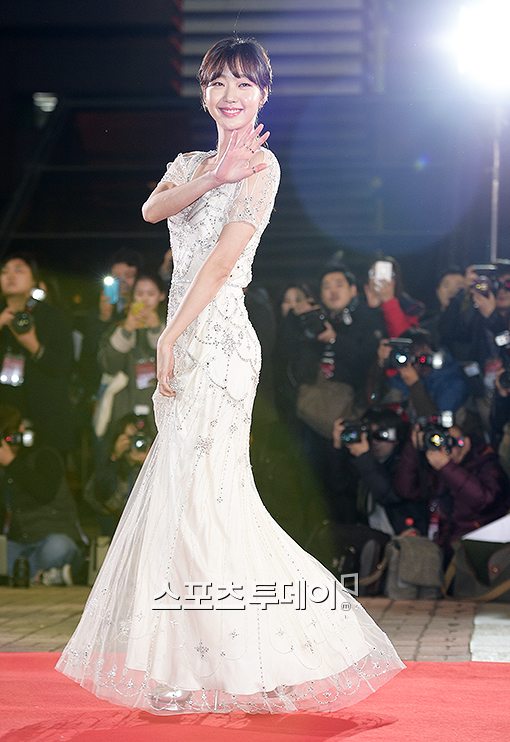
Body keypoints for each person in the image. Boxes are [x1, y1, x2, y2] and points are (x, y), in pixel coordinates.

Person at [55, 36, 404, 715]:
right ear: (204, 93)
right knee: (184, 503)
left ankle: (261, 658)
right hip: (184, 341)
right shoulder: (189, 164)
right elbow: (153, 210)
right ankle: (196, 666)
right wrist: (213, 175)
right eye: (219, 81)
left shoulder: (264, 166)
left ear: (264, 95)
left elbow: (221, 263)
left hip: (217, 344)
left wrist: (170, 334)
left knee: (208, 500)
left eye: (245, 82)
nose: (231, 94)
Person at [0, 404, 85, 585]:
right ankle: (44, 575)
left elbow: (44, 492)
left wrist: (12, 463)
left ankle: (23, 574)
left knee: (59, 547)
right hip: (19, 545)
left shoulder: (44, 455)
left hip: (51, 538)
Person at [0, 253, 74, 453]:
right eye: (4, 271)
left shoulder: (51, 316)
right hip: (5, 413)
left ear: (34, 279)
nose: (10, 276)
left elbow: (64, 365)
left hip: (45, 415)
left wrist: (32, 345)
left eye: (19, 270)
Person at [94, 274, 166, 439]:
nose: (145, 299)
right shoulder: (118, 327)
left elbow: (174, 365)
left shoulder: (170, 328)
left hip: (158, 407)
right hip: (123, 408)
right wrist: (126, 330)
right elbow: (108, 366)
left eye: (151, 294)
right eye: (140, 293)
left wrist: (157, 330)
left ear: (161, 296)